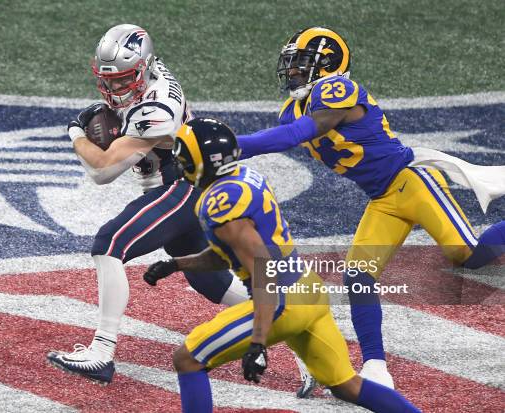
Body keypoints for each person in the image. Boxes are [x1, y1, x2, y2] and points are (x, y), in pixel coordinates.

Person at [234, 26, 505, 388]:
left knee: (467, 254)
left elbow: (297, 134)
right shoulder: (293, 108)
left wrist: (232, 144)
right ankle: (376, 365)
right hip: (382, 200)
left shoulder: (339, 89)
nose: (293, 72)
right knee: (358, 276)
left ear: (328, 64)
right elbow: (287, 132)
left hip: (412, 182)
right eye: (292, 65)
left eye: (301, 64)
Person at [143, 117, 422, 413]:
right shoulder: (241, 178)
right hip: (308, 289)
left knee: (187, 359)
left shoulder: (220, 204)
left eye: (184, 153)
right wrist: (177, 265)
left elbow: (262, 269)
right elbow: (233, 252)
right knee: (346, 385)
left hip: (281, 301)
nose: (179, 159)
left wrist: (258, 342)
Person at [46, 24, 250, 385]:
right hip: (184, 184)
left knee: (109, 244)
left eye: (123, 81)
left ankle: (102, 351)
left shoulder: (156, 108)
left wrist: (75, 133)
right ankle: (291, 327)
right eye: (108, 81)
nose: (113, 89)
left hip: (186, 186)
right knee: (210, 282)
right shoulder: (151, 74)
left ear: (143, 70)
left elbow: (103, 171)